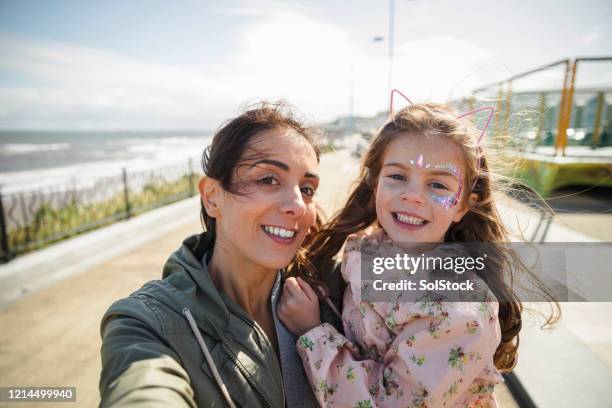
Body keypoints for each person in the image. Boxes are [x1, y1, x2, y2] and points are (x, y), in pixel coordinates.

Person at [278, 101, 559, 407]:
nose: (412, 195)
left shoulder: (456, 310)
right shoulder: (369, 248)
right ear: (375, 183)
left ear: (463, 205)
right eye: (398, 177)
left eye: (437, 184)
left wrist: (312, 333)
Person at [99, 102, 344, 407]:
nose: (296, 205)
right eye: (268, 180)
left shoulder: (333, 289)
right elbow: (142, 389)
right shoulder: (149, 322)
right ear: (213, 197)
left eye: (307, 189)